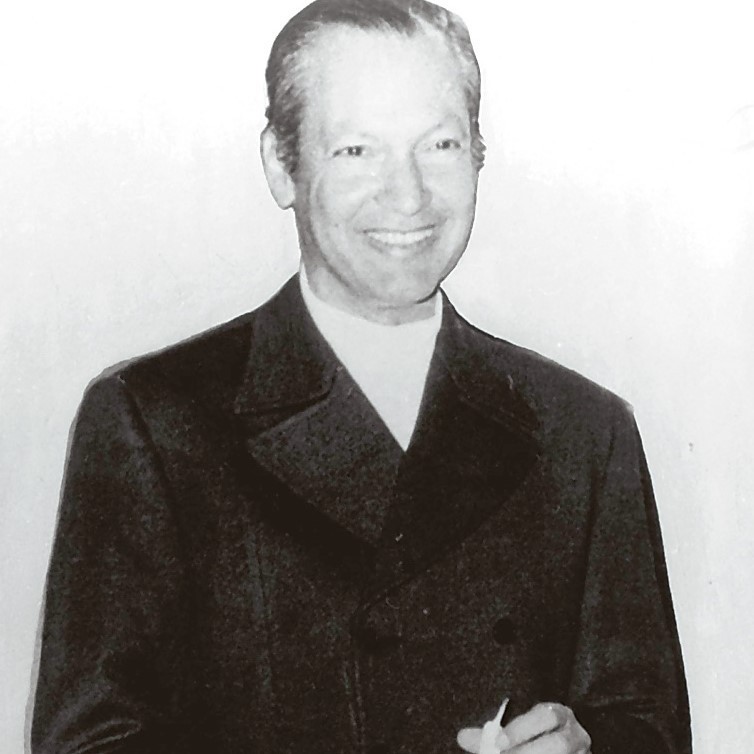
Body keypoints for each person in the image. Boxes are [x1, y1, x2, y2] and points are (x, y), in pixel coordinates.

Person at [31, 1, 691, 752]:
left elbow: (650, 729)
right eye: (356, 150)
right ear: (281, 165)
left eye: (439, 144)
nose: (407, 196)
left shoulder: (586, 432)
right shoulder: (153, 422)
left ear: (479, 154)